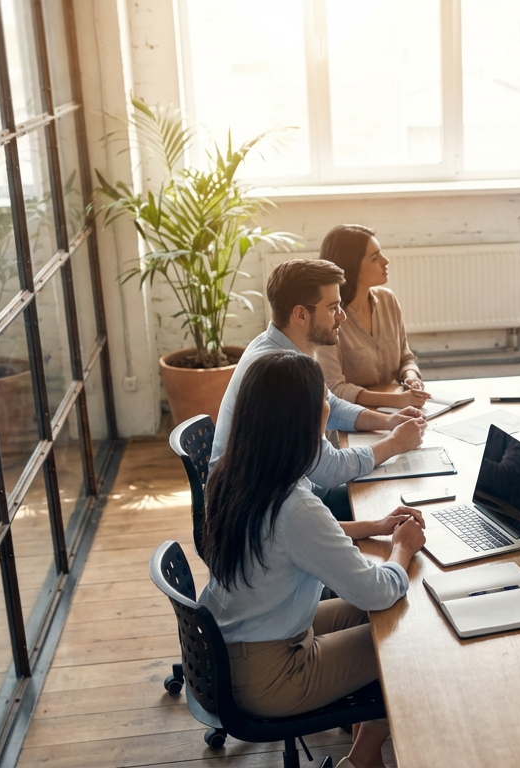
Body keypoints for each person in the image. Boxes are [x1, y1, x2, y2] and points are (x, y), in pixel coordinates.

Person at [199, 351, 426, 768]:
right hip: (270, 675)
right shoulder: (295, 505)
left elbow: (293, 538)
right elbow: (375, 591)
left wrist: (373, 525)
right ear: (300, 418)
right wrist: (402, 548)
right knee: (403, 636)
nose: (328, 406)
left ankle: (361, 749)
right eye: (323, 399)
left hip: (232, 647)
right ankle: (363, 758)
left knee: (383, 618)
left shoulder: (237, 474)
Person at [211, 259, 426, 517]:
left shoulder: (280, 345)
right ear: (301, 314)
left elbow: (329, 403)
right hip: (257, 514)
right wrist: (394, 444)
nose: (342, 316)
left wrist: (388, 421)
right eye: (333, 308)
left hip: (286, 491)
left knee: (387, 493)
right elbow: (328, 470)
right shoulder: (282, 372)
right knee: (391, 499)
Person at [315, 224, 431, 410]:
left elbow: (406, 358)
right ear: (352, 266)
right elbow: (334, 388)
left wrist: (411, 377)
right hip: (354, 416)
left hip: (398, 409)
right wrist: (397, 401)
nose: (386, 261)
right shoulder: (327, 317)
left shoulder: (388, 300)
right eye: (375, 258)